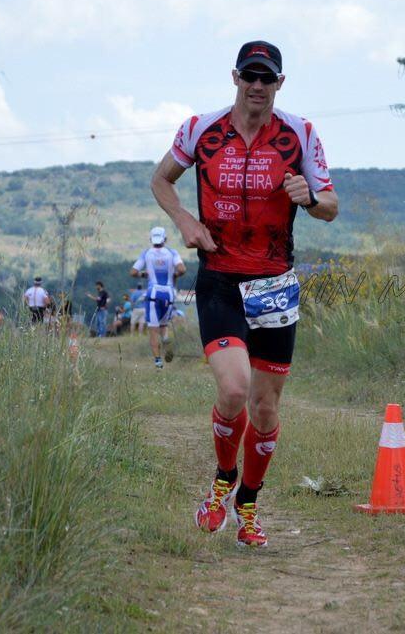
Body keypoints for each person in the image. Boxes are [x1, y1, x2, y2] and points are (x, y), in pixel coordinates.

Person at [151, 40, 337, 547]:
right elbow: (161, 180)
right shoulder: (200, 129)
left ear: (280, 83)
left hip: (274, 283)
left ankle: (247, 507)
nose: (258, 85)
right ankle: (221, 483)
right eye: (250, 75)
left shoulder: (300, 134)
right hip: (220, 279)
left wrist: (310, 197)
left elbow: (331, 206)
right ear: (235, 77)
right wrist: (184, 220)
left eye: (267, 78)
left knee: (266, 408)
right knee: (234, 390)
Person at [130, 226, 185, 369]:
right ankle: (165, 339)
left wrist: (144, 274)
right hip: (169, 294)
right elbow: (182, 269)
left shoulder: (146, 253)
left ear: (151, 239)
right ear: (165, 239)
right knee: (163, 325)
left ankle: (158, 363)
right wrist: (174, 276)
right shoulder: (172, 252)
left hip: (153, 293)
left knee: (153, 330)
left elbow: (133, 272)